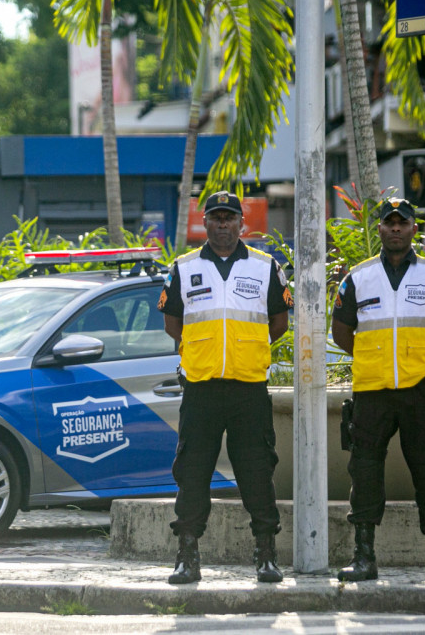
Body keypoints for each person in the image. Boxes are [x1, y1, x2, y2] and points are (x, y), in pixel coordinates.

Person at [330, 196, 425, 584]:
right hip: (372, 390)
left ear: (413, 228)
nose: (395, 228)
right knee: (365, 469)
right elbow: (341, 332)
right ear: (378, 228)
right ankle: (363, 558)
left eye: (402, 223)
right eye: (389, 222)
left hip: (419, 390)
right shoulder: (358, 278)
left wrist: (424, 359)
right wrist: (376, 357)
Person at [158, 190, 291, 584]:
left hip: (248, 388)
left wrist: (246, 351)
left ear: (241, 224)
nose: (221, 224)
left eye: (229, 217)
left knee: (256, 470)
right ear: (205, 223)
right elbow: (172, 323)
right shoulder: (183, 268)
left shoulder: (266, 267)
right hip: (201, 388)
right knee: (193, 472)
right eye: (214, 217)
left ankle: (266, 553)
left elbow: (279, 321)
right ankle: (187, 555)